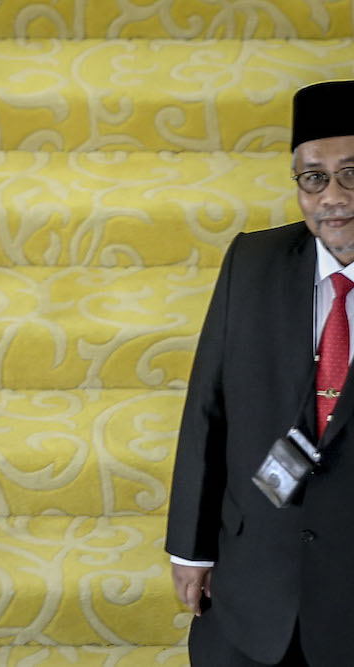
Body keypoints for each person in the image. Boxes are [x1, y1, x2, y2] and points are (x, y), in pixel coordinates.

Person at [166, 79, 354, 666]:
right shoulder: (252, 263)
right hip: (252, 587)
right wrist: (190, 550)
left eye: (353, 173)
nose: (334, 197)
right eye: (314, 177)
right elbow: (208, 407)